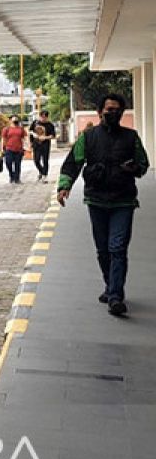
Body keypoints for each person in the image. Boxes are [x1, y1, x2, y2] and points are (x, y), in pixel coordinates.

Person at [57, 94, 149, 317]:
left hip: (123, 201)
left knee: (117, 247)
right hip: (96, 200)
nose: (113, 113)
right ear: (100, 112)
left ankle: (116, 296)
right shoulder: (88, 138)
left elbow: (144, 164)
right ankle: (110, 286)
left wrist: (134, 168)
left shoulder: (131, 137)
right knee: (102, 249)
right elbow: (73, 163)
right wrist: (64, 185)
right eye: (109, 109)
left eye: (117, 110)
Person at [29, 110, 57, 183]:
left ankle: (45, 175)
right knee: (36, 160)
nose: (43, 118)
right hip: (36, 144)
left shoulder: (50, 125)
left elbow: (53, 135)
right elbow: (30, 131)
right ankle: (41, 171)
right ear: (40, 116)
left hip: (45, 145)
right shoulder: (35, 123)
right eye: (42, 117)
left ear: (47, 117)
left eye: (45, 117)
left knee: (45, 160)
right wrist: (33, 135)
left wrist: (45, 137)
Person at [1, 115, 27, 184]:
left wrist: (26, 147)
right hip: (9, 149)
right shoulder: (6, 129)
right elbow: (3, 139)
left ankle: (17, 179)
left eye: (16, 118)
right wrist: (2, 149)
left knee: (17, 164)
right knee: (8, 163)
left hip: (19, 149)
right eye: (13, 118)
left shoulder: (21, 129)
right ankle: (11, 175)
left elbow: (24, 138)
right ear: (10, 120)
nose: (15, 120)